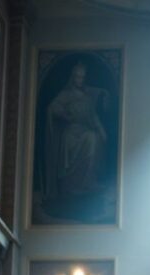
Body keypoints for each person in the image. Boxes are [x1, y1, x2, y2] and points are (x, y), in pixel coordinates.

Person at [44, 62, 109, 198]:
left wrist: (102, 131)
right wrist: (65, 115)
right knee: (85, 139)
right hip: (71, 133)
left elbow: (94, 117)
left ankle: (88, 182)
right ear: (73, 78)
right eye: (78, 77)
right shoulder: (66, 94)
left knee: (93, 138)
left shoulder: (87, 97)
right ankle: (70, 185)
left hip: (85, 130)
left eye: (82, 77)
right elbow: (53, 107)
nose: (80, 80)